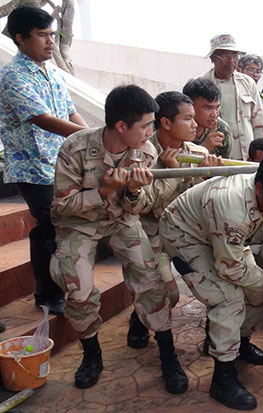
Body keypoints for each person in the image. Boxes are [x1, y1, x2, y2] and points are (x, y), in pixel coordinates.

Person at [49, 85, 188, 394]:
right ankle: (92, 356)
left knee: (151, 280)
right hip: (79, 225)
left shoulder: (146, 152)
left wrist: (135, 191)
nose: (151, 132)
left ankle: (168, 355)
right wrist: (103, 190)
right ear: (121, 126)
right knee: (78, 290)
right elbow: (59, 209)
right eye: (146, 125)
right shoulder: (75, 148)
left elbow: (140, 206)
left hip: (122, 221)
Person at [159, 154, 263, 410]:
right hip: (184, 234)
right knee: (227, 298)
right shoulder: (232, 208)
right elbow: (230, 269)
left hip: (217, 234)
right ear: (259, 189)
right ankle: (222, 378)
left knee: (256, 292)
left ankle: (241, 343)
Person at [0, 6, 88, 315]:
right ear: (21, 39)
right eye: (42, 35)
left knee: (58, 225)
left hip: (60, 162)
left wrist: (92, 135)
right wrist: (91, 138)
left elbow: (68, 110)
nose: (50, 41)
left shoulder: (51, 71)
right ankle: (47, 294)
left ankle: (62, 285)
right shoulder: (12, 75)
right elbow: (42, 118)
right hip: (32, 166)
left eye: (53, 34)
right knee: (48, 225)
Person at [127, 91, 222, 349]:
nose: (196, 125)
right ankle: (139, 319)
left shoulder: (197, 153)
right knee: (168, 294)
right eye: (188, 119)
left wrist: (208, 177)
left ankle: (217, 338)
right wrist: (170, 174)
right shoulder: (143, 155)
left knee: (218, 283)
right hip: (152, 234)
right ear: (166, 123)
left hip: (185, 235)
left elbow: (207, 200)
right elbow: (140, 204)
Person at [197, 34, 263, 160]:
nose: (231, 60)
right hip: (215, 157)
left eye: (234, 56)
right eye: (224, 56)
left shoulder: (247, 83)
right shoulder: (200, 84)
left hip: (247, 156)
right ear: (213, 58)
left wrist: (260, 152)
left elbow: (259, 122)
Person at [183, 77, 233, 158]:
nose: (214, 114)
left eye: (217, 107)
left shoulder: (222, 130)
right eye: (208, 108)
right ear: (190, 106)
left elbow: (224, 167)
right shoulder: (177, 126)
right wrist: (203, 149)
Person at [238, 54, 263, 136]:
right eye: (251, 70)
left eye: (258, 71)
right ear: (239, 70)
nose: (255, 75)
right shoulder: (233, 93)